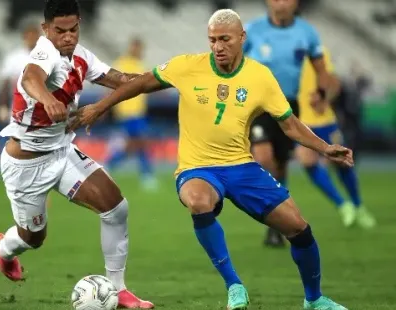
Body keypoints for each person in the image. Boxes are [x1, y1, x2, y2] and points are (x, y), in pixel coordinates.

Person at [68, 8, 350, 310]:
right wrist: (99, 107)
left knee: (299, 229)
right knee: (199, 202)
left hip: (241, 166)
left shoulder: (260, 77)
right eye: (212, 40)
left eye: (225, 39)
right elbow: (139, 83)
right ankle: (234, 285)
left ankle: (314, 298)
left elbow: (290, 124)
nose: (217, 46)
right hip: (197, 167)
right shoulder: (187, 67)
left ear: (242, 38)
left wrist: (324, 148)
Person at [0, 0, 153, 308]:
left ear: (80, 24)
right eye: (60, 31)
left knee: (116, 208)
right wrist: (46, 99)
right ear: (45, 29)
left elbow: (121, 80)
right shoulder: (44, 51)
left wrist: (163, 79)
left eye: (74, 29)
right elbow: (30, 78)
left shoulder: (80, 55)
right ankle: (4, 249)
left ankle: (118, 291)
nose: (68, 37)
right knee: (33, 238)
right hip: (24, 165)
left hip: (62, 152)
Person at [243, 0, 339, 247]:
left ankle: (277, 225)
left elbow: (322, 71)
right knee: (263, 157)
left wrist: (321, 92)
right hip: (258, 106)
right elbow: (235, 65)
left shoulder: (306, 32)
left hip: (288, 106)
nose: (281, 3)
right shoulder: (252, 31)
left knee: (281, 167)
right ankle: (274, 219)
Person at [297, 47, 376, 228]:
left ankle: (358, 206)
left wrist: (325, 99)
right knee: (307, 162)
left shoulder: (317, 51)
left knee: (341, 163)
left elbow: (334, 83)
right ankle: (343, 205)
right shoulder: (283, 57)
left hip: (325, 121)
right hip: (301, 122)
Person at [108, 37, 157, 190]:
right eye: (136, 47)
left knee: (134, 146)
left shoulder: (141, 65)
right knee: (141, 142)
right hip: (127, 112)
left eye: (140, 48)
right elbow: (111, 85)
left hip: (138, 113)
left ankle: (110, 165)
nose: (138, 51)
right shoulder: (121, 64)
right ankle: (146, 175)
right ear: (131, 48)